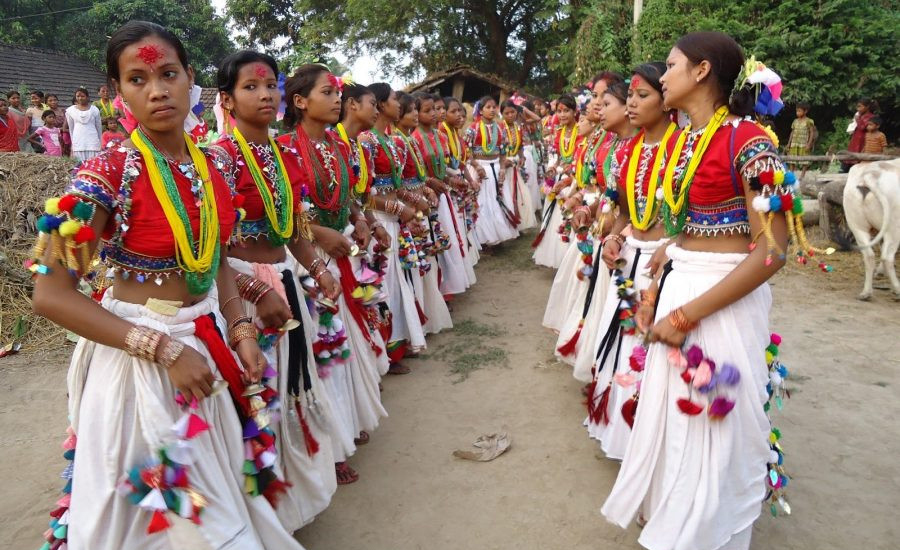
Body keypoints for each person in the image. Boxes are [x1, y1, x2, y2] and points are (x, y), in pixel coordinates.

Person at [30, 21, 306, 549]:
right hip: (139, 365)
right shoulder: (105, 174)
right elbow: (51, 294)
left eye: (168, 74)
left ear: (190, 79)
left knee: (212, 498)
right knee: (151, 521)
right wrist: (163, 349)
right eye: (137, 79)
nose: (157, 91)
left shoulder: (212, 165)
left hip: (203, 344)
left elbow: (217, 260)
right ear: (117, 93)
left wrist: (241, 329)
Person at [601, 31, 791, 550]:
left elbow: (772, 250)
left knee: (717, 429)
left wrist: (686, 314)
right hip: (681, 286)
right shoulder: (685, 142)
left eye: (671, 66)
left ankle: (707, 533)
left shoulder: (749, 141)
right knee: (679, 422)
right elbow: (685, 228)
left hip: (721, 300)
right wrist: (658, 280)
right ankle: (679, 523)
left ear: (702, 71)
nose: (663, 76)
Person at [209, 49, 348, 528]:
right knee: (258, 396)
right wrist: (253, 290)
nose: (265, 94)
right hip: (241, 292)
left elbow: (292, 227)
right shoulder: (218, 158)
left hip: (284, 279)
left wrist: (317, 266)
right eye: (251, 87)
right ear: (227, 100)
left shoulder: (283, 153)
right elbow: (208, 252)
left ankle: (293, 497)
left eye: (271, 85)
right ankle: (262, 511)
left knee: (291, 386)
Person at [278, 64, 388, 485]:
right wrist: (318, 234)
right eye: (327, 92)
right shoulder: (284, 149)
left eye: (336, 92)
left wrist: (358, 218)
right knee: (322, 353)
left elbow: (351, 198)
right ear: (300, 101)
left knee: (346, 348)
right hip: (306, 261)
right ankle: (332, 447)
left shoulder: (340, 146)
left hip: (341, 254)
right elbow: (282, 217)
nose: (336, 99)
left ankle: (347, 425)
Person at [587, 64, 678, 459]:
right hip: (629, 259)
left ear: (666, 101)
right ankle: (623, 436)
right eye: (631, 97)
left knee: (654, 355)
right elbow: (625, 211)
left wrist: (671, 247)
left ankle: (650, 447)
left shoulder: (684, 148)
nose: (632, 105)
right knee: (626, 348)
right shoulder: (628, 150)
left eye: (643, 96)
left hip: (665, 267)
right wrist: (614, 237)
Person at [466, 95, 518, 247]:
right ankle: (485, 240)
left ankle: (498, 236)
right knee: (482, 203)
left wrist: (502, 168)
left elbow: (503, 152)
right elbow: (467, 151)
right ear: (481, 111)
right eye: (488, 107)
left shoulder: (500, 128)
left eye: (494, 107)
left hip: (496, 167)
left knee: (498, 200)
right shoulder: (473, 128)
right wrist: (476, 166)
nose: (492, 110)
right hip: (481, 169)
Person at [499, 99, 537, 230]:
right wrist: (503, 161)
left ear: (516, 112)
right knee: (507, 195)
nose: (510, 115)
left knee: (521, 194)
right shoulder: (499, 128)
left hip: (515, 166)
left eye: (512, 112)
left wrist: (522, 157)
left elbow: (520, 145)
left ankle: (519, 225)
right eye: (506, 113)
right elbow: (496, 148)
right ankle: (507, 227)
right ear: (502, 114)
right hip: (503, 166)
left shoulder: (518, 127)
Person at [66, 87, 102, 161]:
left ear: (87, 97)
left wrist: (100, 142)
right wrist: (73, 144)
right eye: (78, 96)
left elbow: (99, 128)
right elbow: (71, 129)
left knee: (93, 164)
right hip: (78, 142)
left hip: (93, 142)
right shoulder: (71, 110)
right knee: (79, 165)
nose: (80, 98)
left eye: (82, 96)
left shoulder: (94, 110)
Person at [844, 97, 877, 171]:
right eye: (857, 107)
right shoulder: (860, 115)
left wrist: (858, 119)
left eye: (860, 106)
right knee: (849, 160)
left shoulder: (871, 117)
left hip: (863, 141)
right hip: (855, 140)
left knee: (859, 161)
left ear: (867, 107)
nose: (858, 109)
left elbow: (862, 127)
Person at [785, 101, 816, 175]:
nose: (797, 113)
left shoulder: (809, 121)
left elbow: (812, 133)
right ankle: (791, 173)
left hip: (804, 143)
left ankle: (802, 174)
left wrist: (809, 144)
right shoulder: (795, 121)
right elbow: (792, 132)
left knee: (804, 159)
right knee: (792, 159)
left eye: (799, 111)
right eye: (796, 111)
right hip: (794, 143)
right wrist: (789, 143)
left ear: (805, 111)